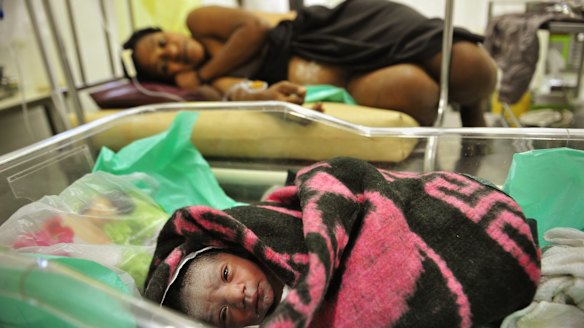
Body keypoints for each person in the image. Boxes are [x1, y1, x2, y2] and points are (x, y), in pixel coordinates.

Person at [144, 157, 540, 328]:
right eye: (225, 315)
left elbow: (344, 185)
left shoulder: (281, 234)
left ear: (235, 248)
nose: (239, 295)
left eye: (226, 275)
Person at [123, 0, 498, 127]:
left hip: (339, 30)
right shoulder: (212, 81)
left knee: (473, 68)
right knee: (421, 96)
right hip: (345, 81)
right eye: (163, 66)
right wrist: (267, 95)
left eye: (162, 45)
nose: (171, 55)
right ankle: (467, 114)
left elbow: (251, 29)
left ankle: (472, 107)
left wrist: (204, 71)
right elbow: (237, 93)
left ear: (169, 32)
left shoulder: (199, 21)